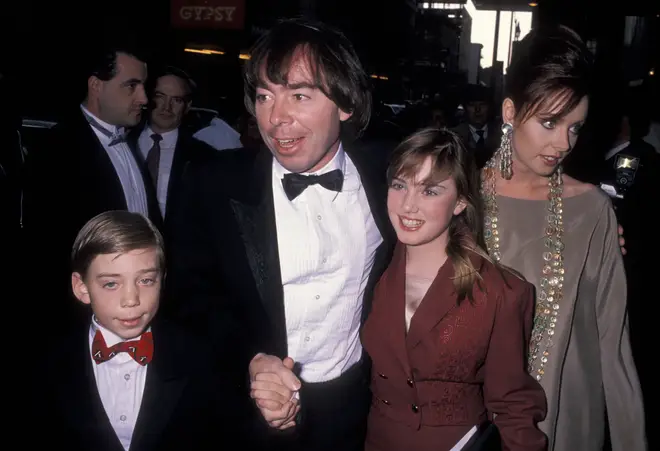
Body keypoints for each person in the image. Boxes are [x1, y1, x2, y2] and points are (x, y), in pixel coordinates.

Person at [163, 18, 395, 451]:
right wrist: (250, 359)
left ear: (345, 104)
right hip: (246, 416)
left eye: (300, 96)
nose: (275, 118)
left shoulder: (387, 177)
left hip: (354, 407)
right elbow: (188, 299)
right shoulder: (213, 184)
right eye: (265, 96)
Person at [480, 25, 646, 450]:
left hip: (569, 415)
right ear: (510, 112)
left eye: (575, 127)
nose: (562, 143)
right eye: (550, 122)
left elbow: (614, 344)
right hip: (477, 418)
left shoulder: (591, 210)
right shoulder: (457, 199)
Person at [361, 128, 547, 451]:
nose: (408, 206)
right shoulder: (371, 268)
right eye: (400, 185)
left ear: (460, 201)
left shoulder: (499, 292)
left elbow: (513, 405)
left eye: (430, 191)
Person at [29, 211, 249, 451]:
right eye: (111, 284)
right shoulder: (47, 364)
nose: (131, 300)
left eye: (146, 280)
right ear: (81, 288)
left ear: (161, 280)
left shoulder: (200, 356)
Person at [22, 42, 161, 330]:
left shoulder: (131, 145)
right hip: (80, 320)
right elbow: (45, 249)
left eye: (143, 86)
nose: (144, 98)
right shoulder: (56, 150)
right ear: (96, 86)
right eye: (131, 86)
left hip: (140, 308)